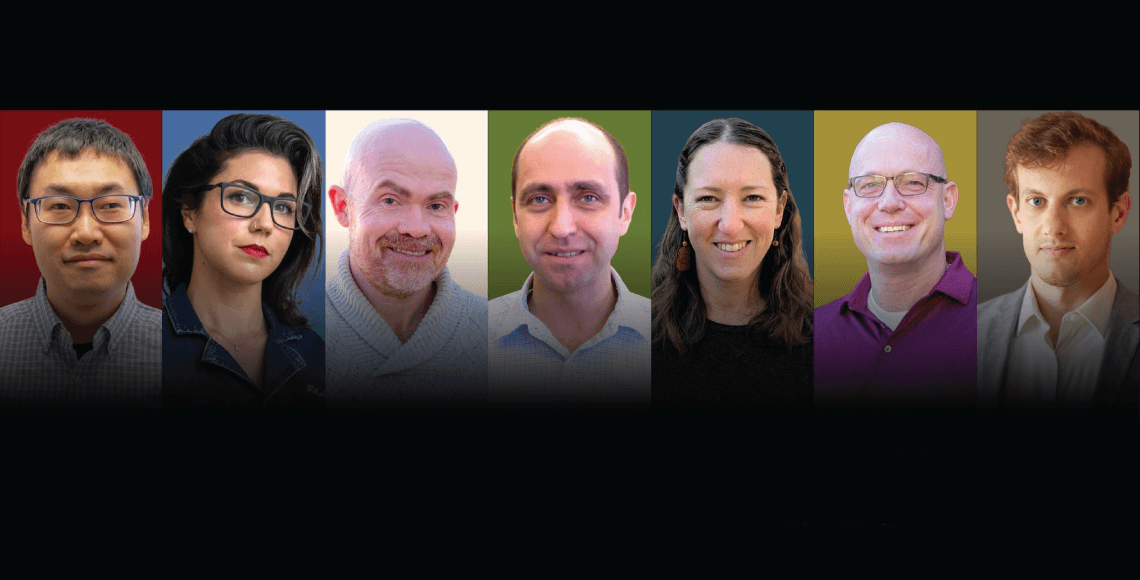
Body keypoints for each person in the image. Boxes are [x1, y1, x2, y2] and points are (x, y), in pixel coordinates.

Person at [161, 113, 324, 407]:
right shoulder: (142, 347)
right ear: (189, 211)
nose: (265, 224)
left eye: (285, 207)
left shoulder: (316, 356)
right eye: (241, 197)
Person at [978, 111, 1136, 408]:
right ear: (1016, 213)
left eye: (1078, 201)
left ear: (1119, 213)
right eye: (1037, 201)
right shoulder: (963, 336)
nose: (1053, 227)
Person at [651, 118, 813, 407]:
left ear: (779, 209)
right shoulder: (637, 336)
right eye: (708, 198)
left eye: (752, 197)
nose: (730, 225)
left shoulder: (826, 340)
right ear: (681, 211)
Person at [488, 117, 649, 407]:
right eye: (539, 199)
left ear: (625, 213)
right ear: (514, 216)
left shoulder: (675, 340)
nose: (562, 227)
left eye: (588, 197)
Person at [325, 119, 486, 406]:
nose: (417, 228)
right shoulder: (290, 332)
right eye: (390, 200)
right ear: (342, 207)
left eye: (436, 206)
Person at [0, 118, 160, 407]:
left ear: (145, 218)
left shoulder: (184, 354)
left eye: (111, 205)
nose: (86, 233)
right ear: (25, 222)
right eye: (60, 206)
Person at [814, 122, 977, 407]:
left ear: (948, 200)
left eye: (913, 182)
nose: (889, 203)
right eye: (870, 185)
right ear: (848, 206)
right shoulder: (809, 334)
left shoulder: (1006, 328)